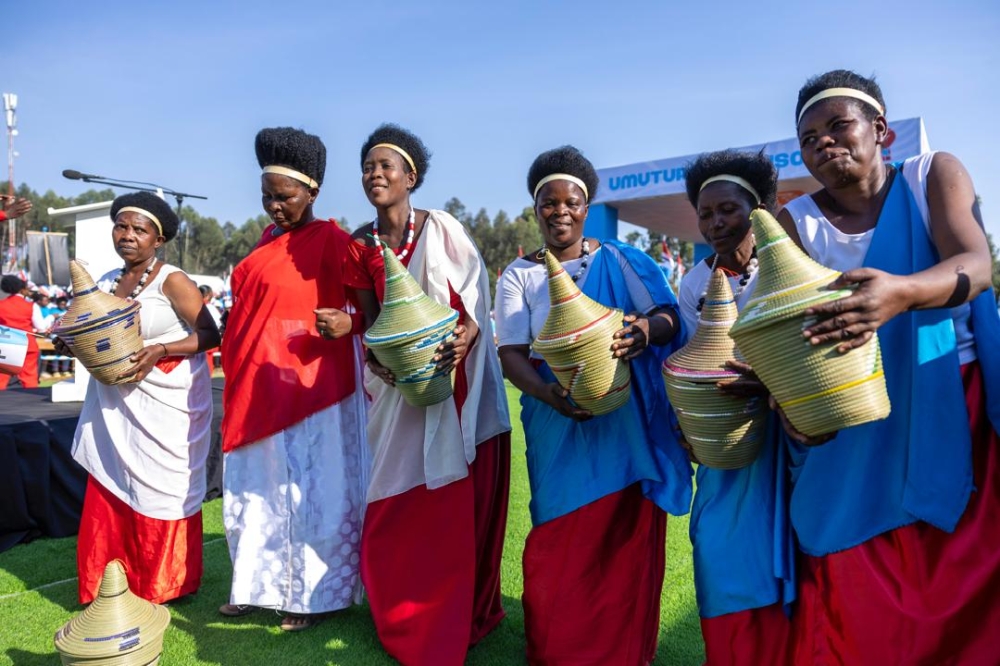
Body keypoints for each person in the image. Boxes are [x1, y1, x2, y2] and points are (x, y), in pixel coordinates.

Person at [776, 69, 1000, 663]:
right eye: (808, 137)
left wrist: (900, 293)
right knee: (854, 571)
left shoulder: (934, 175)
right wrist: (789, 401)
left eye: (838, 125)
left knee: (961, 567)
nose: (824, 142)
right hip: (852, 415)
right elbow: (782, 327)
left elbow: (976, 266)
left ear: (881, 131)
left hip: (949, 403)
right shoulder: (796, 221)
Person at [494, 146, 690, 665]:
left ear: (587, 206)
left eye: (572, 202)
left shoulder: (623, 260)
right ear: (535, 210)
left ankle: (623, 650)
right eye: (549, 204)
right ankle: (559, 649)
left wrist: (645, 333)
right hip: (553, 420)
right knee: (559, 535)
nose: (560, 212)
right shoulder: (520, 275)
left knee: (620, 537)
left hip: (621, 424)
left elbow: (668, 315)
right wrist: (547, 396)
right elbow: (511, 352)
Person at [342, 124, 511, 665]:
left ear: (411, 176)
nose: (375, 174)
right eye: (368, 166)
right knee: (391, 502)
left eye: (386, 165)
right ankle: (401, 617)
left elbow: (475, 300)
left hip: (453, 384)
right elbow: (369, 324)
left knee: (446, 510)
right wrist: (378, 360)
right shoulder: (358, 246)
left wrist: (466, 338)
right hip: (396, 392)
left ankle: (450, 616)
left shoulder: (442, 229)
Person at [220, 127, 369, 632]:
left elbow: (372, 309)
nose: (274, 207)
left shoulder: (336, 242)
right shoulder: (264, 243)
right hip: (256, 386)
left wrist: (352, 323)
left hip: (315, 391)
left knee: (312, 494)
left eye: (283, 197)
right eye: (267, 197)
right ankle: (252, 585)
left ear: (312, 192)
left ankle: (310, 596)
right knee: (256, 492)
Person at [64, 191, 220, 604]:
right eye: (122, 226)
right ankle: (108, 578)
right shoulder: (107, 282)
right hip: (116, 404)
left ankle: (161, 582)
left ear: (158, 239)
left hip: (166, 402)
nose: (128, 235)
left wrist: (161, 351)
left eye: (140, 229)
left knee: (162, 489)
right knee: (113, 483)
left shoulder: (172, 279)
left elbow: (210, 334)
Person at [679, 150, 794, 664]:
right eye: (705, 214)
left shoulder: (788, 264)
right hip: (725, 443)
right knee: (719, 552)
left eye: (727, 209)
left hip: (792, 441)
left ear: (759, 210)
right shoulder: (692, 282)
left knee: (794, 557)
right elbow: (688, 359)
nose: (715, 223)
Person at [0, 275, 47, 389]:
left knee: (2, 378)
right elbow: (41, 327)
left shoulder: (1, 304)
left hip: (6, 345)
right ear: (21, 288)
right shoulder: (32, 306)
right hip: (27, 345)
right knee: (29, 377)